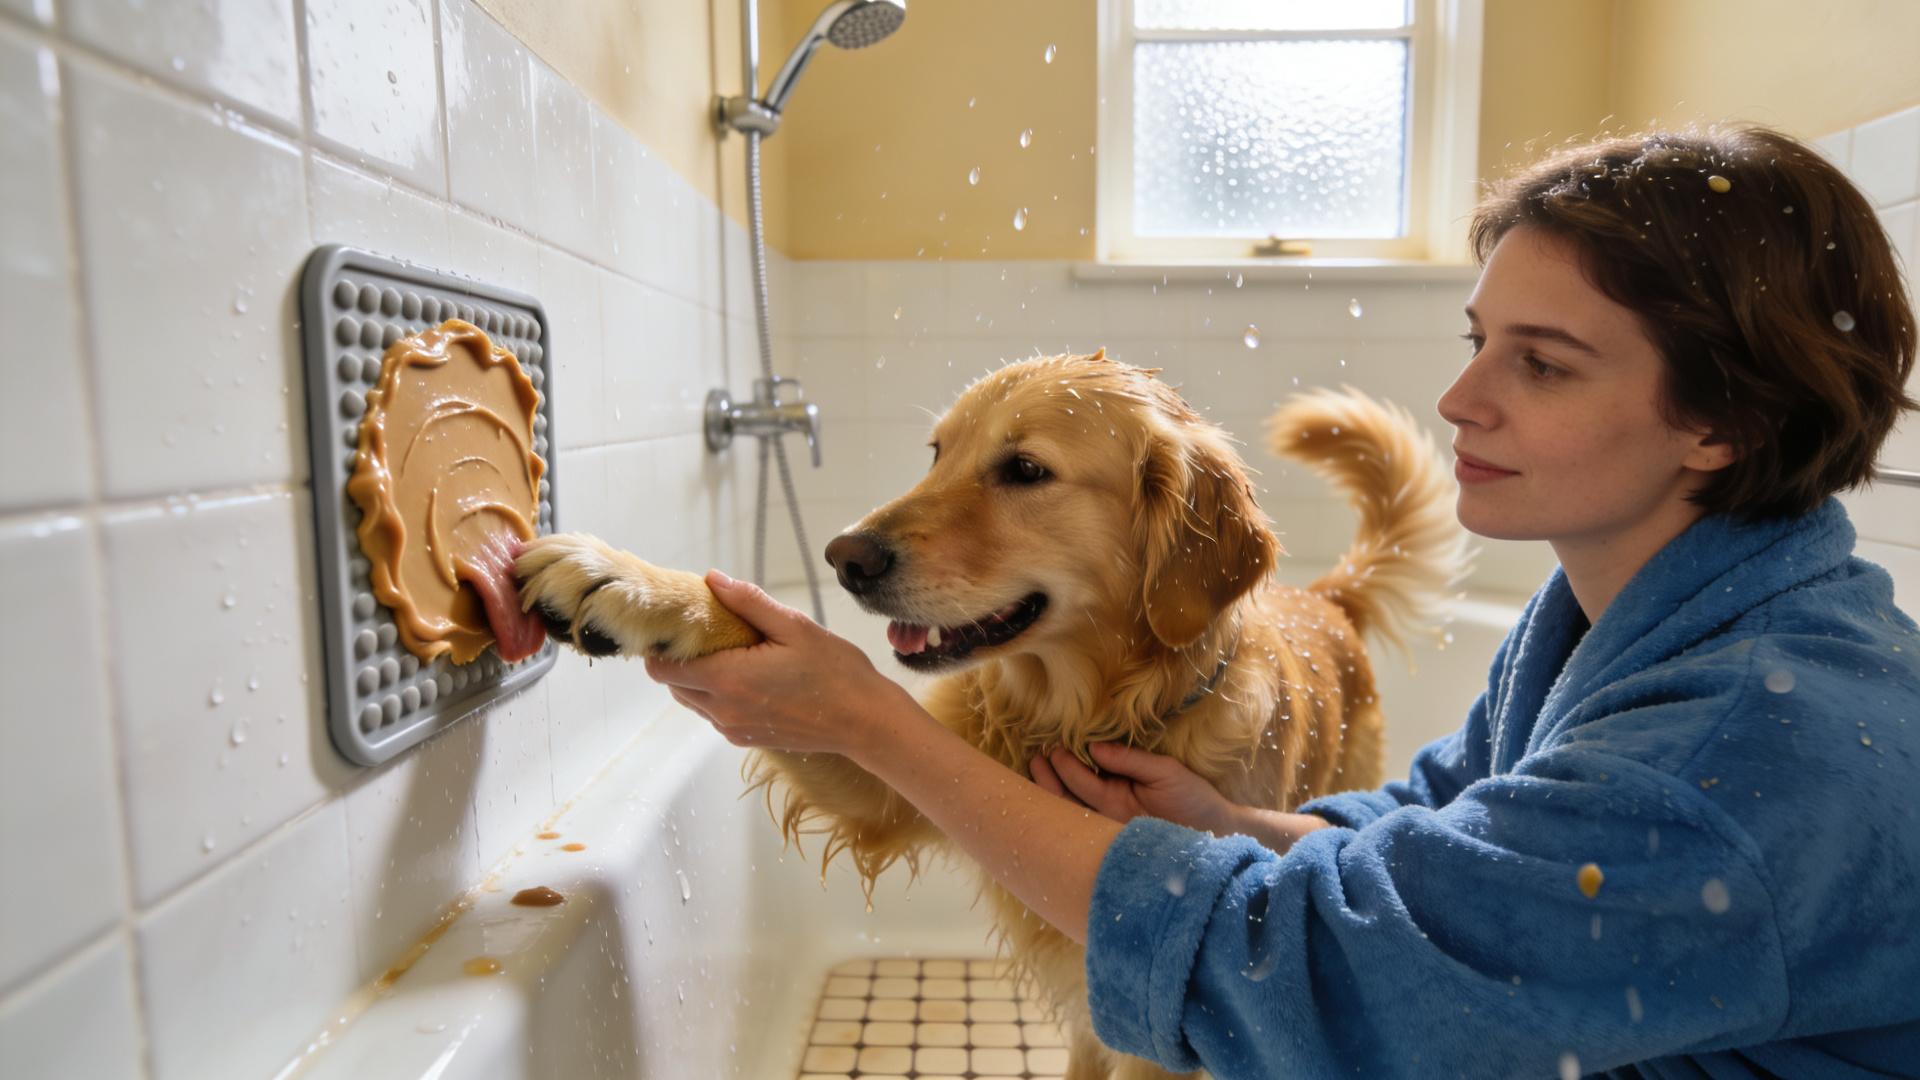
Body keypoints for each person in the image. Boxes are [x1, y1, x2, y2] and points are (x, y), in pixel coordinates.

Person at [645, 125, 1920, 1078]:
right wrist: (1233, 817)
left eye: (1541, 363)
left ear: (1724, 421)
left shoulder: (1734, 752)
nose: (1462, 402)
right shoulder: (1634, 616)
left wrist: (872, 722)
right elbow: (1444, 836)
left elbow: (1318, 976)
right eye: (1479, 342)